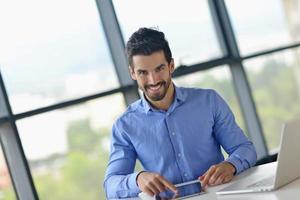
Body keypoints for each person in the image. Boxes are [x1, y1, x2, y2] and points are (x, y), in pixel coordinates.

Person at [103, 27, 257, 199]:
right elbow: (111, 185)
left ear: (171, 65)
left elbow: (245, 149)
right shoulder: (125, 126)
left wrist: (231, 165)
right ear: (132, 73)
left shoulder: (209, 101)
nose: (153, 80)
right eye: (143, 72)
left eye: (159, 69)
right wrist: (138, 179)